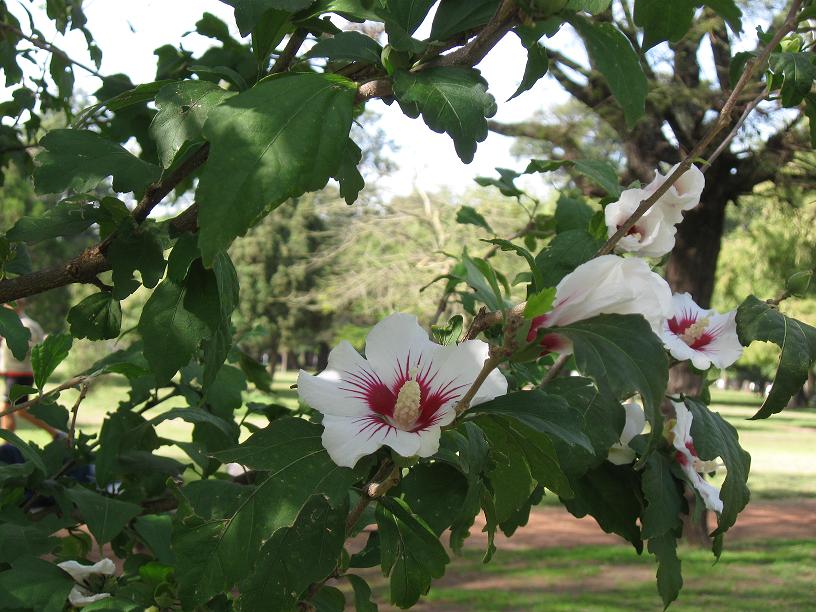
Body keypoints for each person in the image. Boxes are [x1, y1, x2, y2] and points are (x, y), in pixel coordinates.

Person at [0, 300, 58, 436]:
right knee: (19, 410)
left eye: (8, 303)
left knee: (7, 409)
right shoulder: (14, 323)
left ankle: (55, 433)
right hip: (14, 372)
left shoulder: (26, 325)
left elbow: (27, 350)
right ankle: (55, 433)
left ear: (18, 305)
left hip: (20, 374)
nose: (4, 306)